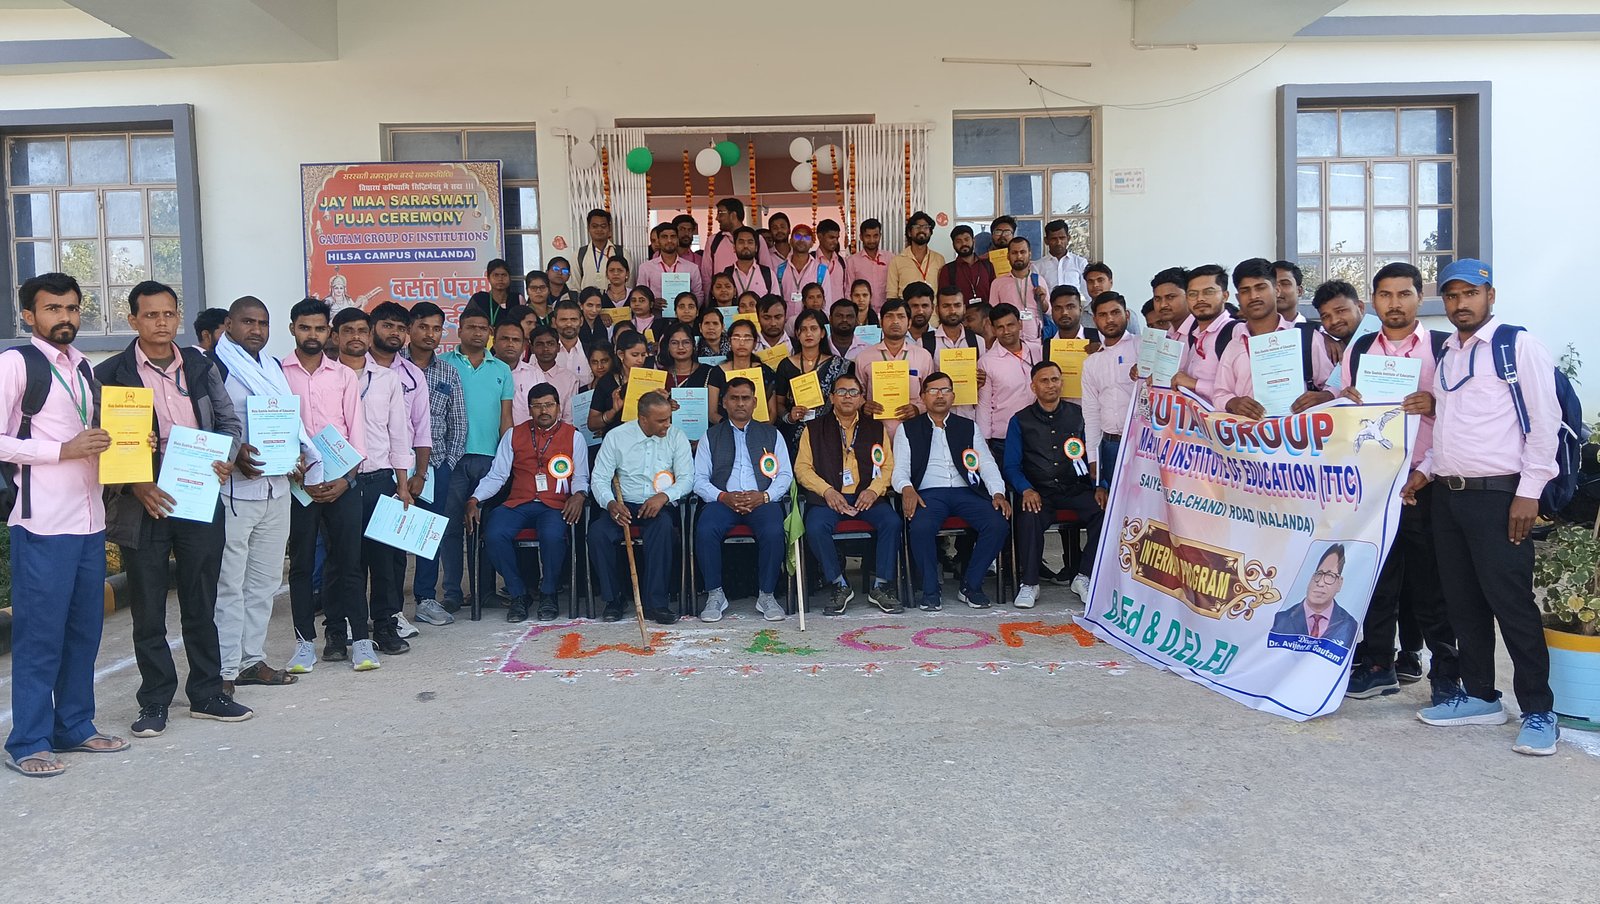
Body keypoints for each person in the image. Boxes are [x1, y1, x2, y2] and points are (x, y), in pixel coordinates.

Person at [1405, 259, 1562, 756]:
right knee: (1463, 602)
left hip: (1501, 496)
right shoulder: (1449, 352)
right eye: (1452, 296)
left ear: (1490, 296)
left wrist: (1529, 492)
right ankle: (1480, 695)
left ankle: (1539, 710)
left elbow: (1545, 423)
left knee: (1511, 604)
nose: (1460, 304)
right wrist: (1425, 470)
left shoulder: (1517, 345)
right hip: (1450, 496)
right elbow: (1450, 427)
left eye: (1470, 293)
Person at [97, 280, 248, 735]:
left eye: (168, 314)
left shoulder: (200, 366)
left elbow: (229, 422)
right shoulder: (110, 373)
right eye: (150, 315)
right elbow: (103, 441)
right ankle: (154, 700)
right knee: (147, 605)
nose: (161, 323)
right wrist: (137, 482)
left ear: (178, 317)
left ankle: (207, 693)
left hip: (198, 491)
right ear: (133, 320)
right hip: (141, 498)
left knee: (201, 598)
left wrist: (225, 456)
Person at [2, 273, 125, 777]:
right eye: (53, 309)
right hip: (43, 523)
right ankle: (28, 740)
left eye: (72, 308)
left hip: (90, 520)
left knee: (83, 631)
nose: (65, 318)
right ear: (29, 315)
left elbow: (91, 434)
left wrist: (129, 446)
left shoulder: (83, 368)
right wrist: (61, 450)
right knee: (40, 636)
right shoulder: (17, 364)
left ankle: (73, 725)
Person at [1338, 262, 1458, 700]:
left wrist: (1435, 405)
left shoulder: (1444, 348)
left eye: (1404, 294)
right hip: (1376, 484)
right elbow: (1346, 413)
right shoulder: (1361, 348)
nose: (1394, 303)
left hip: (1426, 482)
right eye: (1385, 295)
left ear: (1420, 298)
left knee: (1431, 585)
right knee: (1377, 577)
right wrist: (1345, 400)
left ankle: (1446, 674)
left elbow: (1465, 415)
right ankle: (1378, 665)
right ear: (1373, 301)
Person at [210, 296, 309, 686]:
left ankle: (252, 659)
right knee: (229, 584)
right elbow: (204, 422)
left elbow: (287, 422)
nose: (256, 330)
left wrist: (295, 454)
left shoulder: (272, 367)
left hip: (276, 488)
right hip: (234, 491)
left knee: (265, 583)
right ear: (229, 325)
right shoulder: (215, 366)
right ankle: (224, 668)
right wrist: (233, 454)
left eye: (262, 323)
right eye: (247, 322)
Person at [281, 298, 374, 670]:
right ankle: (305, 643)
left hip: (342, 483)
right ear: (293, 329)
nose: (312, 334)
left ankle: (361, 641)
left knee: (350, 563)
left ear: (329, 333)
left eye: (320, 328)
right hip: (298, 485)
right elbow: (273, 428)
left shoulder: (343, 376)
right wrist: (292, 471)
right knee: (302, 565)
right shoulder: (277, 373)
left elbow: (357, 434)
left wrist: (347, 480)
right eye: (305, 327)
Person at [467, 383, 588, 623]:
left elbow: (581, 475)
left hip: (554, 505)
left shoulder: (574, 436)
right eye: (537, 406)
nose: (544, 410)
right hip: (519, 503)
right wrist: (475, 498)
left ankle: (549, 593)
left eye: (549, 405)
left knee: (553, 536)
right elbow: (498, 475)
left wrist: (579, 495)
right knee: (494, 534)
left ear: (558, 407)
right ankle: (518, 594)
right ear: (529, 408)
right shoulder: (514, 434)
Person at [332, 307, 415, 656]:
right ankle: (343, 631)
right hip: (340, 483)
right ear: (335, 336)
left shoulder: (387, 379)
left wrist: (403, 484)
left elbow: (399, 433)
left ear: (369, 336)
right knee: (344, 561)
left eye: (361, 331)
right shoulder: (327, 377)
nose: (356, 337)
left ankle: (384, 626)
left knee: (385, 560)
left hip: (381, 478)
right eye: (347, 330)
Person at [894, 372, 1011, 611]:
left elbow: (986, 463)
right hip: (929, 493)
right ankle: (930, 590)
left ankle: (971, 585)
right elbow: (900, 469)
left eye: (945, 390)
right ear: (923, 397)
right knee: (921, 527)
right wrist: (906, 488)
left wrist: (997, 492)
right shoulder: (907, 429)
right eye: (933, 391)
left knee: (997, 523)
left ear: (953, 396)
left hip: (966, 491)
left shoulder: (968, 427)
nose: (940, 395)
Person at [796, 373, 903, 616]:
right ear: (831, 397)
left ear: (862, 398)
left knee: (892, 522)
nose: (847, 397)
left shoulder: (875, 427)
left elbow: (888, 466)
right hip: (829, 498)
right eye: (841, 392)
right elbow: (802, 468)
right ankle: (839, 584)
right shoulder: (814, 428)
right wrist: (827, 491)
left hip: (866, 496)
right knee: (815, 527)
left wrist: (874, 490)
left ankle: (881, 586)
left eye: (853, 392)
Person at [1004, 360, 1104, 608]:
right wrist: (1025, 489)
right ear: (1033, 386)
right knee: (1029, 516)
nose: (1051, 385)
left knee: (1105, 511)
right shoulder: (1019, 420)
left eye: (1055, 379)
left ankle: (1084, 576)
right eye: (1044, 381)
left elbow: (1095, 454)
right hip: (1040, 492)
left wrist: (1100, 485)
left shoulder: (1080, 415)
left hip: (1076, 488)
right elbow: (1011, 466)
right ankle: (1030, 583)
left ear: (1062, 382)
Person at [693, 377, 792, 623]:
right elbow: (699, 479)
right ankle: (715, 594)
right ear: (724, 403)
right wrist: (722, 496)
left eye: (745, 398)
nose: (740, 403)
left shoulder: (772, 434)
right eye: (734, 398)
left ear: (755, 402)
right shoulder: (710, 436)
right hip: (723, 501)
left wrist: (765, 496)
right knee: (705, 529)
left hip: (762, 500)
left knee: (773, 530)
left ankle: (767, 595)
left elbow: (785, 475)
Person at [590, 391, 693, 624]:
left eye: (668, 418)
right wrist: (610, 503)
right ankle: (614, 599)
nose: (667, 424)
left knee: (663, 529)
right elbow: (599, 478)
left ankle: (656, 603)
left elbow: (687, 479)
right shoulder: (616, 437)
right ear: (643, 419)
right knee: (598, 533)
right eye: (661, 420)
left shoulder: (677, 437)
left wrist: (664, 496)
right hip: (623, 505)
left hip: (658, 505)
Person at [439, 307, 514, 613]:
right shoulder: (443, 364)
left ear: (489, 333)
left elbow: (506, 419)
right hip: (451, 458)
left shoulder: (502, 369)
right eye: (471, 327)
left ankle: (484, 591)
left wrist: (507, 460)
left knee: (484, 528)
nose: (478, 332)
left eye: (483, 328)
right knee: (451, 528)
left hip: (490, 460)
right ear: (460, 330)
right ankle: (452, 592)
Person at [365, 302, 432, 639]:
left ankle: (391, 614)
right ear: (372, 328)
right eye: (387, 325)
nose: (394, 333)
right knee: (353, 551)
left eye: (400, 328)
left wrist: (419, 474)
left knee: (393, 551)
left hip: (399, 473)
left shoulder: (412, 375)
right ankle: (352, 617)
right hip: (361, 471)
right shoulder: (352, 368)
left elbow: (421, 429)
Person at [401, 302, 467, 628]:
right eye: (423, 327)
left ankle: (426, 599)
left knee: (429, 533)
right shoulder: (392, 367)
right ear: (409, 328)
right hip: (396, 465)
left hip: (436, 465)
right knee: (394, 534)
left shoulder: (448, 372)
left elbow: (459, 423)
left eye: (436, 328)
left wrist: (447, 466)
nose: (430, 334)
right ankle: (390, 606)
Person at [1212, 258, 1333, 418]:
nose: (1253, 296)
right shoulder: (1234, 345)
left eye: (1260, 287)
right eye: (1245, 291)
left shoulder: (1306, 339)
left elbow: (1333, 386)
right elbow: (1220, 394)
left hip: (1297, 430)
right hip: (1249, 432)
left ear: (1276, 290)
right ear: (1238, 297)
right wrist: (1233, 402)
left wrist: (1325, 396)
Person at [850, 299, 934, 437]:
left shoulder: (923, 356)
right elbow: (858, 394)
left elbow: (930, 393)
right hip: (875, 431)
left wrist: (918, 409)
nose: (895, 321)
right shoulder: (864, 357)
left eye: (901, 317)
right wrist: (864, 406)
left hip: (914, 430)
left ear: (909, 323)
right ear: (881, 322)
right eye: (889, 316)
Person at [1080, 292, 1137, 490]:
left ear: (1126, 315)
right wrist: (1093, 458)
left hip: (1142, 445)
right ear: (1095, 320)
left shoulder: (1142, 347)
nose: (1110, 319)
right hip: (1110, 446)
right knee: (1115, 501)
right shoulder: (1092, 362)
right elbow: (1091, 413)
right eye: (1103, 315)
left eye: (1115, 312)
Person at [775, 309, 853, 451]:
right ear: (797, 334)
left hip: (829, 432)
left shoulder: (839, 365)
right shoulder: (786, 365)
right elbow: (779, 403)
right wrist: (789, 417)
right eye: (803, 329)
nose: (808, 333)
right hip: (794, 433)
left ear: (822, 333)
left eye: (813, 328)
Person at [976, 303, 1042, 459]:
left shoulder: (1038, 350)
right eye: (1000, 327)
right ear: (993, 330)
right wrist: (983, 442)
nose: (1006, 331)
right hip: (1004, 437)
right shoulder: (986, 362)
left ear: (1020, 324)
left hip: (1038, 432)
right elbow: (984, 405)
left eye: (1010, 325)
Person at [1173, 264, 1240, 405]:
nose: (1200, 299)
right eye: (1193, 294)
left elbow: (1242, 392)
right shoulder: (1194, 335)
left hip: (1222, 418)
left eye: (1208, 292)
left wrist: (1195, 383)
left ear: (1225, 296)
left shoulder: (1235, 332)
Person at [1270, 544, 1360, 648]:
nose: (1320, 583)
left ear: (1339, 583)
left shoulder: (1349, 624)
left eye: (1330, 576)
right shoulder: (1281, 619)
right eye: (1319, 574)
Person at [1311, 280, 1379, 394]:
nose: (1334, 321)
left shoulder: (1386, 339)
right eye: (1326, 316)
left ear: (1360, 307)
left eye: (1341, 311)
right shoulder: (1327, 350)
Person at [657, 321, 725, 424]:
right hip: (669, 431)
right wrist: (665, 406)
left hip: (705, 430)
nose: (680, 347)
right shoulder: (660, 376)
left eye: (686, 342)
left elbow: (714, 412)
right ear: (668, 346)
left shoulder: (710, 372)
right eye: (674, 343)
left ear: (693, 345)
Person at [989, 237, 1051, 344]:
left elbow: (1048, 311)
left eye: (1023, 252)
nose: (1019, 256)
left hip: (1035, 341)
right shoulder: (998, 283)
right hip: (1008, 341)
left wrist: (1042, 300)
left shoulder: (1039, 280)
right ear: (1008, 256)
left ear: (1029, 254)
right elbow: (993, 314)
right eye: (1014, 253)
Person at [589, 331, 651, 439]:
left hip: (645, 441)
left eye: (643, 355)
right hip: (615, 442)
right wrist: (613, 412)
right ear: (620, 354)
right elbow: (592, 424)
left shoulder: (651, 379)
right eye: (634, 355)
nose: (640, 360)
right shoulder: (606, 382)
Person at [717, 319, 778, 421]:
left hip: (761, 428)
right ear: (729, 341)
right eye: (736, 338)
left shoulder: (766, 372)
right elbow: (712, 413)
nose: (742, 343)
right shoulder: (718, 372)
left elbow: (772, 411)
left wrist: (762, 429)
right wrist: (732, 428)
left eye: (747, 338)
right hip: (726, 428)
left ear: (755, 343)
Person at [639, 222, 704, 303]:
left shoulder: (692, 268)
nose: (669, 240)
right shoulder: (646, 268)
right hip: (655, 311)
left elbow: (698, 294)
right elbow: (641, 294)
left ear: (678, 240)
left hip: (685, 311)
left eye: (673, 236)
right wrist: (652, 303)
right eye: (664, 237)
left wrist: (689, 307)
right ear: (658, 241)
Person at [886, 211, 944, 302]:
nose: (921, 230)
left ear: (930, 233)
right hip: (906, 310)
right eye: (917, 227)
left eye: (926, 227)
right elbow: (891, 296)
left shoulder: (939, 259)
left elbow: (943, 293)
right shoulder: (896, 261)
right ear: (909, 233)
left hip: (932, 310)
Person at [700, 198, 751, 288]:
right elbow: (706, 276)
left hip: (751, 296)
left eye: (720, 213)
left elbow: (766, 270)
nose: (717, 218)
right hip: (722, 296)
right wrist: (709, 296)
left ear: (733, 215)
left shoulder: (757, 239)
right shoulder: (713, 241)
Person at [1035, 219, 1090, 301]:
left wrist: (1083, 308)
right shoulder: (1037, 267)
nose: (1058, 242)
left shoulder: (1080, 263)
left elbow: (1087, 293)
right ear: (1046, 241)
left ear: (1068, 238)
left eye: (1062, 238)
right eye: (1053, 239)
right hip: (1048, 308)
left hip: (1074, 308)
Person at [939, 224, 994, 304]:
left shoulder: (987, 266)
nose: (963, 243)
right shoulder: (947, 270)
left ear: (973, 241)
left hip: (986, 311)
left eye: (967, 239)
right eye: (958, 241)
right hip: (961, 312)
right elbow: (944, 298)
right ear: (953, 245)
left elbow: (995, 292)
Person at [844, 217, 888, 313]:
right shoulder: (852, 261)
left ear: (880, 236)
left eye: (875, 236)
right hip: (861, 313)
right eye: (868, 236)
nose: (872, 240)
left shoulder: (890, 259)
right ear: (861, 237)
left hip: (886, 312)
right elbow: (849, 291)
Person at [777, 224, 821, 317]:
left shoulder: (821, 270)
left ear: (812, 243)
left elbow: (826, 304)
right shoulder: (780, 270)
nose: (802, 240)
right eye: (797, 236)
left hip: (812, 323)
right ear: (791, 241)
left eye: (806, 237)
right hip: (786, 323)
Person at [574, 208, 622, 292]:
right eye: (594, 226)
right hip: (588, 300)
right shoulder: (579, 254)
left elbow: (628, 285)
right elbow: (574, 287)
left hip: (614, 300)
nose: (599, 230)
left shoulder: (621, 253)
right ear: (588, 228)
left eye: (603, 226)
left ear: (609, 228)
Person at [550, 299, 594, 386]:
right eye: (563, 320)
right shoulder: (545, 352)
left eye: (573, 319)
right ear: (554, 322)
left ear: (581, 321)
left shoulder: (591, 351)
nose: (569, 324)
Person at [724, 226, 775, 299]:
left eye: (750, 242)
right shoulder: (727, 274)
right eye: (741, 242)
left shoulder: (768, 274)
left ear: (756, 248)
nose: (745, 246)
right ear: (734, 247)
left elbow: (775, 303)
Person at [467, 258, 519, 328]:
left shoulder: (517, 299)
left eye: (504, 275)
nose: (500, 279)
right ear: (488, 278)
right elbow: (467, 322)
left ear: (509, 278)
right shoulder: (479, 299)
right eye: (496, 275)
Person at [813, 219, 850, 302]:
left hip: (838, 308)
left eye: (837, 238)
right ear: (820, 237)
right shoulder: (811, 260)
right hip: (817, 308)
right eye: (831, 237)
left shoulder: (842, 262)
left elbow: (846, 289)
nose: (835, 242)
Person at [1151, 267, 1190, 341]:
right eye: (1157, 299)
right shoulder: (1168, 335)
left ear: (1189, 296)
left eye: (1170, 297)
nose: (1163, 305)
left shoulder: (1200, 333)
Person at [577, 287, 613, 352]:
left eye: (598, 306)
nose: (594, 310)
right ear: (581, 305)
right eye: (590, 305)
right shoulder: (575, 325)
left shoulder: (606, 325)